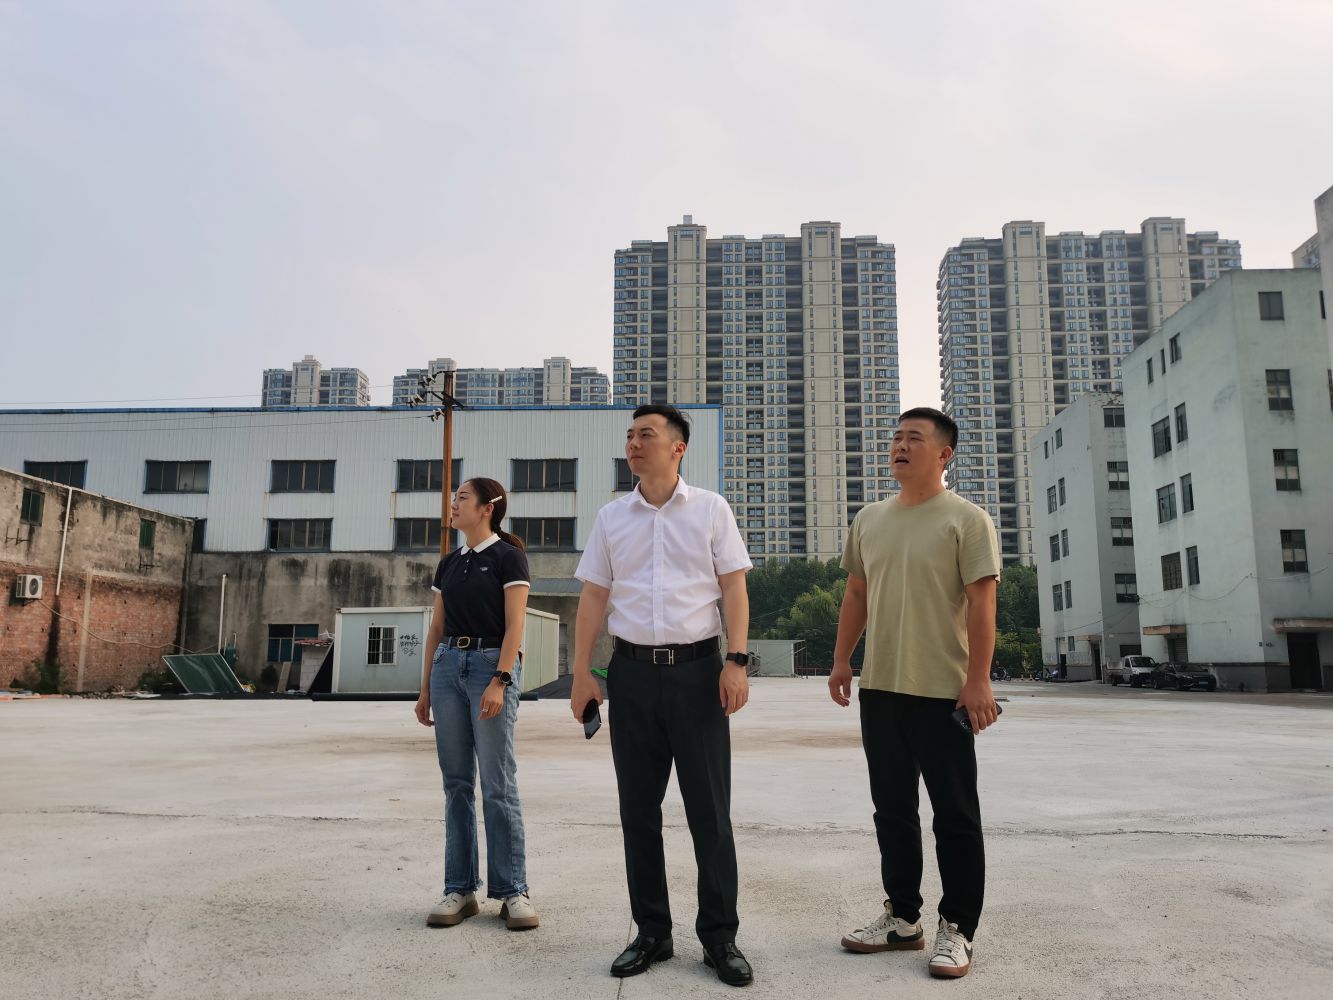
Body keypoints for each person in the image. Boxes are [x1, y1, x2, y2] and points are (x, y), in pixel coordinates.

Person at [568, 404, 756, 987]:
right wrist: (582, 671)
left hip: (699, 674)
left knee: (710, 813)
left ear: (678, 447)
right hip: (631, 674)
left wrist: (736, 661)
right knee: (638, 813)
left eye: (645, 434)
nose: (633, 443)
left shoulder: (710, 509)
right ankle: (652, 932)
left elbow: (733, 587)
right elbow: (594, 597)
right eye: (629, 435)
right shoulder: (611, 517)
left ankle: (719, 937)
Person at [828, 407, 1000, 980]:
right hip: (881, 689)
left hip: (943, 692)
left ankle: (959, 927)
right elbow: (856, 593)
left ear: (944, 454)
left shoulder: (967, 520)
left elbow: (982, 603)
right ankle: (903, 919)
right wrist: (842, 660)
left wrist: (978, 680)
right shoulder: (869, 519)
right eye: (896, 437)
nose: (900, 445)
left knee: (955, 816)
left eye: (915, 438)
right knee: (892, 812)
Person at [414, 477, 537, 931]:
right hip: (447, 667)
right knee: (456, 784)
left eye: (462, 498)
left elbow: (515, 623)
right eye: (453, 499)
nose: (454, 505)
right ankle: (460, 890)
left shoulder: (507, 556)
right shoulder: (449, 563)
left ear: (488, 508)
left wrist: (501, 680)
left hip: (490, 665)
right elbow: (436, 627)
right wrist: (425, 688)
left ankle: (513, 891)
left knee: (498, 784)